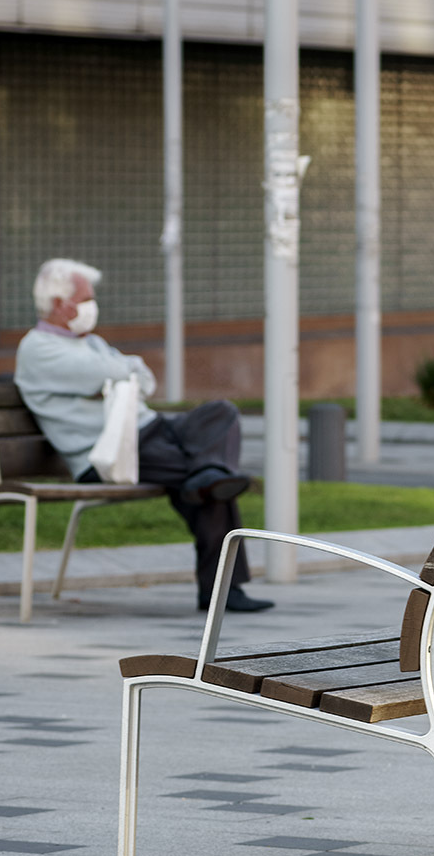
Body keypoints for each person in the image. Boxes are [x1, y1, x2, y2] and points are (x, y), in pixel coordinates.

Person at [14, 258, 274, 613]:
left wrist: (122, 373)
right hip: (105, 454)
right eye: (86, 298)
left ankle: (208, 475)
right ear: (59, 304)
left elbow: (143, 379)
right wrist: (125, 370)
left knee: (220, 413)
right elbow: (115, 370)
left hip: (149, 432)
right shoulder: (38, 348)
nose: (92, 306)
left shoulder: (89, 342)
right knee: (212, 482)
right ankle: (222, 589)